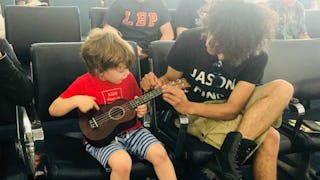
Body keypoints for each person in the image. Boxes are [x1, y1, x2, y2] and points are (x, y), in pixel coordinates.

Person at [140, 1, 293, 179]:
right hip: (199, 112)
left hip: (225, 106)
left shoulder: (255, 55)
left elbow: (231, 109)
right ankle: (228, 159)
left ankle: (227, 158)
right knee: (270, 138)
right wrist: (153, 82)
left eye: (222, 47)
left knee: (284, 87)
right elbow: (169, 80)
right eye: (212, 37)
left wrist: (188, 106)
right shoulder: (189, 39)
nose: (212, 47)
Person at [48, 29, 176, 180]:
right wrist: (76, 100)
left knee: (160, 154)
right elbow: (53, 109)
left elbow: (138, 100)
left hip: (133, 131)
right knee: (122, 163)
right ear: (100, 71)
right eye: (121, 70)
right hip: (100, 137)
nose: (127, 73)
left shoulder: (128, 79)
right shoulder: (84, 83)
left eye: (128, 68)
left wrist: (143, 108)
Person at [102, 0, 174, 76]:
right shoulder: (119, 3)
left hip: (151, 54)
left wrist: (152, 53)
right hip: (125, 53)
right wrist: (127, 49)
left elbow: (168, 33)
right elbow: (109, 30)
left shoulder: (159, 4)